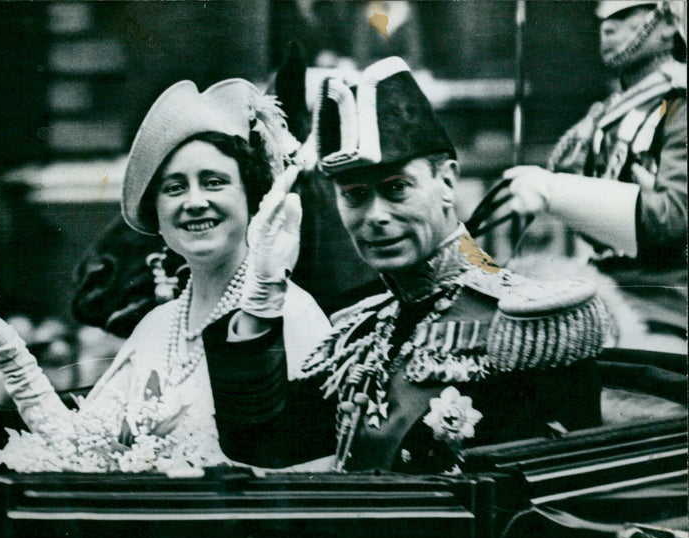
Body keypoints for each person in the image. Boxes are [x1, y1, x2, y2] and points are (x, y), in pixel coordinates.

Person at [202, 56, 611, 474]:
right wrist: (261, 296)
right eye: (356, 195)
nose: (375, 215)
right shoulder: (357, 332)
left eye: (396, 189)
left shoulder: (531, 324)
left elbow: (548, 512)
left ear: (448, 182)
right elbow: (262, 446)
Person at [0, 78, 332, 474]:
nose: (195, 202)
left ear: (252, 198)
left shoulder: (292, 315)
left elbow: (311, 477)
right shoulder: (158, 325)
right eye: (174, 188)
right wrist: (7, 350)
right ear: (158, 217)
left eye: (215, 182)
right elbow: (77, 448)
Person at [502, 1, 686, 349]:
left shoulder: (680, 102)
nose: (607, 27)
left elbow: (673, 220)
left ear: (666, 24)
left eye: (622, 16)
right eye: (603, 20)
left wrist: (558, 192)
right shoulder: (607, 113)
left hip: (668, 299)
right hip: (608, 285)